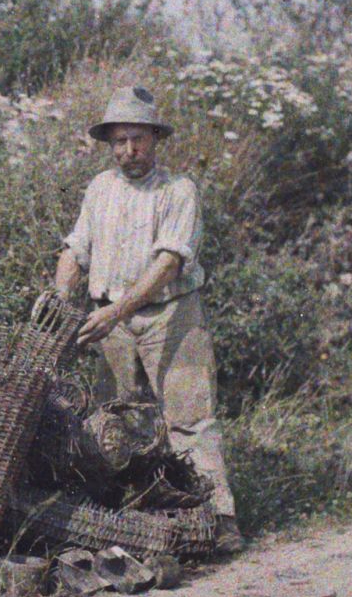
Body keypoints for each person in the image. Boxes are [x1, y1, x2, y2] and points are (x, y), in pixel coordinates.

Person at [53, 85, 241, 550]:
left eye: (138, 139)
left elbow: (168, 264)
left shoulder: (178, 191)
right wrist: (60, 297)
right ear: (109, 143)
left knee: (190, 421)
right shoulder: (100, 189)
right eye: (119, 141)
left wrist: (117, 311)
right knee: (112, 424)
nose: (129, 150)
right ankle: (128, 521)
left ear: (156, 139)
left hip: (171, 315)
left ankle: (220, 519)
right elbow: (76, 250)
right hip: (109, 321)